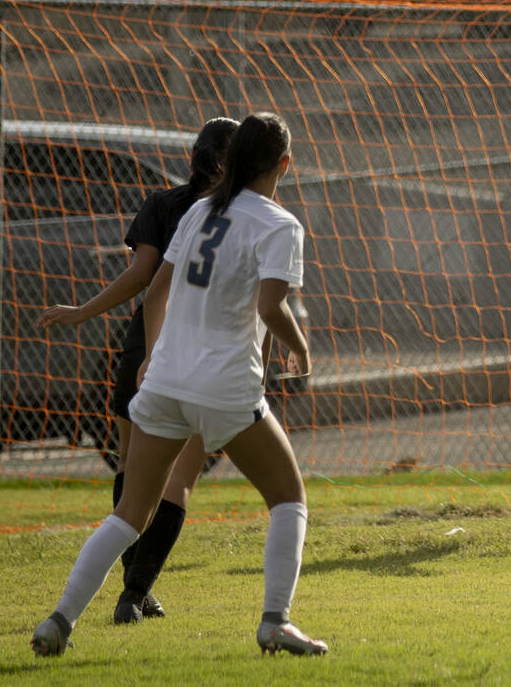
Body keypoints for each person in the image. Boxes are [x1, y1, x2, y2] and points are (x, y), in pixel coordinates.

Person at [31, 112, 325, 657]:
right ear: (285, 164)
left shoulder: (196, 211)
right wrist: (302, 348)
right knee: (289, 500)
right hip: (225, 389)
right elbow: (270, 305)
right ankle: (275, 622)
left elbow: (155, 290)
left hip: (166, 380)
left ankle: (59, 620)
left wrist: (155, 358)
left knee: (128, 514)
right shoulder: (280, 224)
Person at [35, 116, 238, 624]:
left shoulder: (164, 204)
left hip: (143, 352)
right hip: (200, 356)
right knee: (178, 482)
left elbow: (143, 279)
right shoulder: (245, 213)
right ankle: (135, 591)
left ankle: (129, 594)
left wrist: (84, 313)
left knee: (131, 472)